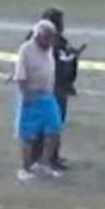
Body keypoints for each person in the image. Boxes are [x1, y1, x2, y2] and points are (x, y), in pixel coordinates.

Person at [28, 7, 85, 172]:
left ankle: (51, 156)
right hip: (48, 88)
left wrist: (72, 55)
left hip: (54, 87)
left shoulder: (57, 40)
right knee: (48, 125)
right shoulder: (42, 40)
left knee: (54, 124)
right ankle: (42, 158)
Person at [13, 18, 65, 180]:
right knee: (28, 134)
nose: (51, 41)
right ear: (39, 35)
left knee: (54, 128)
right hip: (31, 95)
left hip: (47, 96)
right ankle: (25, 169)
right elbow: (20, 75)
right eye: (48, 37)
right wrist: (26, 95)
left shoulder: (48, 49)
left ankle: (43, 163)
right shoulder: (26, 49)